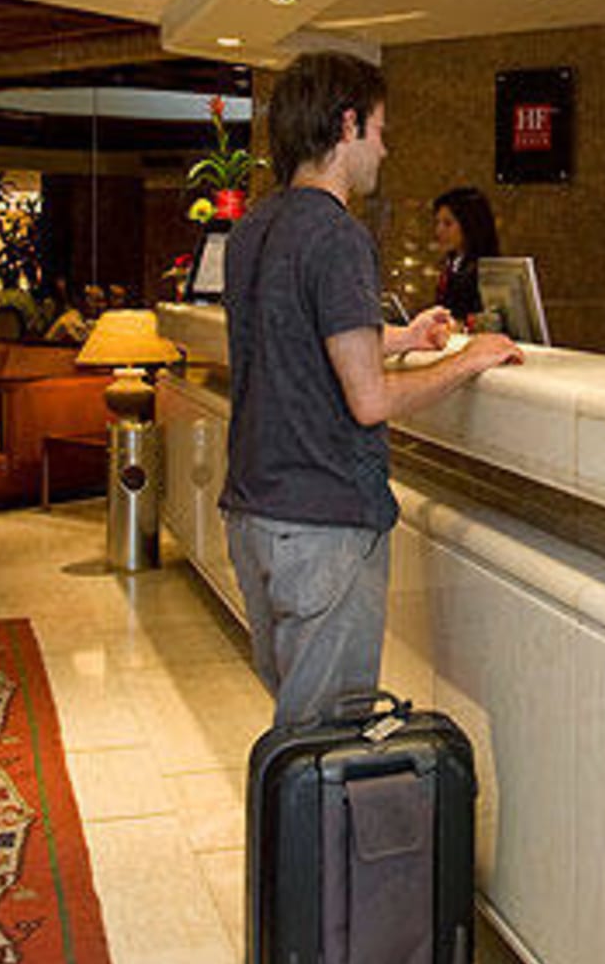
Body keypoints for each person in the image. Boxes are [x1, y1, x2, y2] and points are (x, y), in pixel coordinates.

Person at [222, 52, 523, 727]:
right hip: (323, 524)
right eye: (380, 130)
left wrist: (403, 337)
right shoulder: (337, 236)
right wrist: (468, 360)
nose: (384, 149)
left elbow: (296, 339)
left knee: (298, 732)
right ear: (348, 124)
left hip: (253, 515)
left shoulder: (252, 231)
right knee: (325, 743)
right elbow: (370, 401)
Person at [430, 186, 499, 323]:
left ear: (470, 225)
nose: (439, 231)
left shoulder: (488, 272)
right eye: (437, 222)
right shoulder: (452, 265)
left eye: (448, 224)